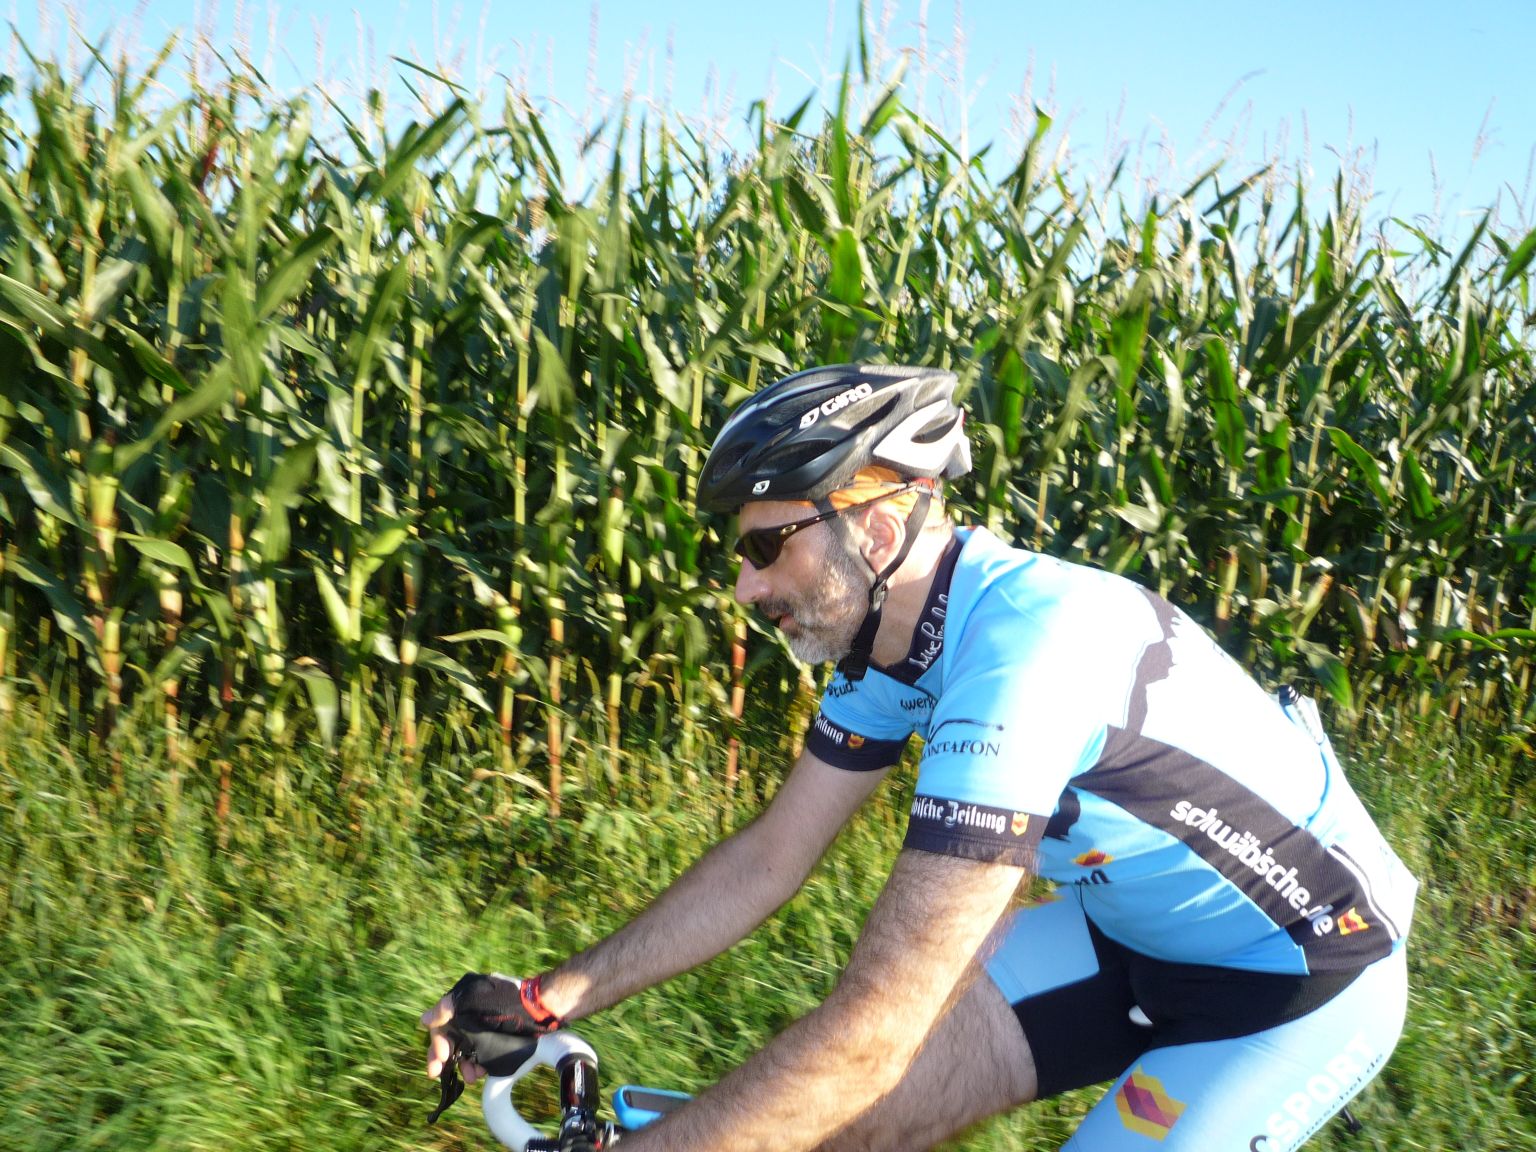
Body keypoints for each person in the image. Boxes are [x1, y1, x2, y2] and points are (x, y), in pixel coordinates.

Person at [423, 363, 1418, 1151]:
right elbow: (771, 858)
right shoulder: (892, 648)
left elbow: (873, 1037)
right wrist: (547, 998)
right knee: (816, 1126)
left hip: (1297, 983)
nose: (743, 587)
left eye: (767, 548)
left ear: (879, 528)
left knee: (828, 1089)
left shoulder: (1027, 655)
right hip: (1125, 940)